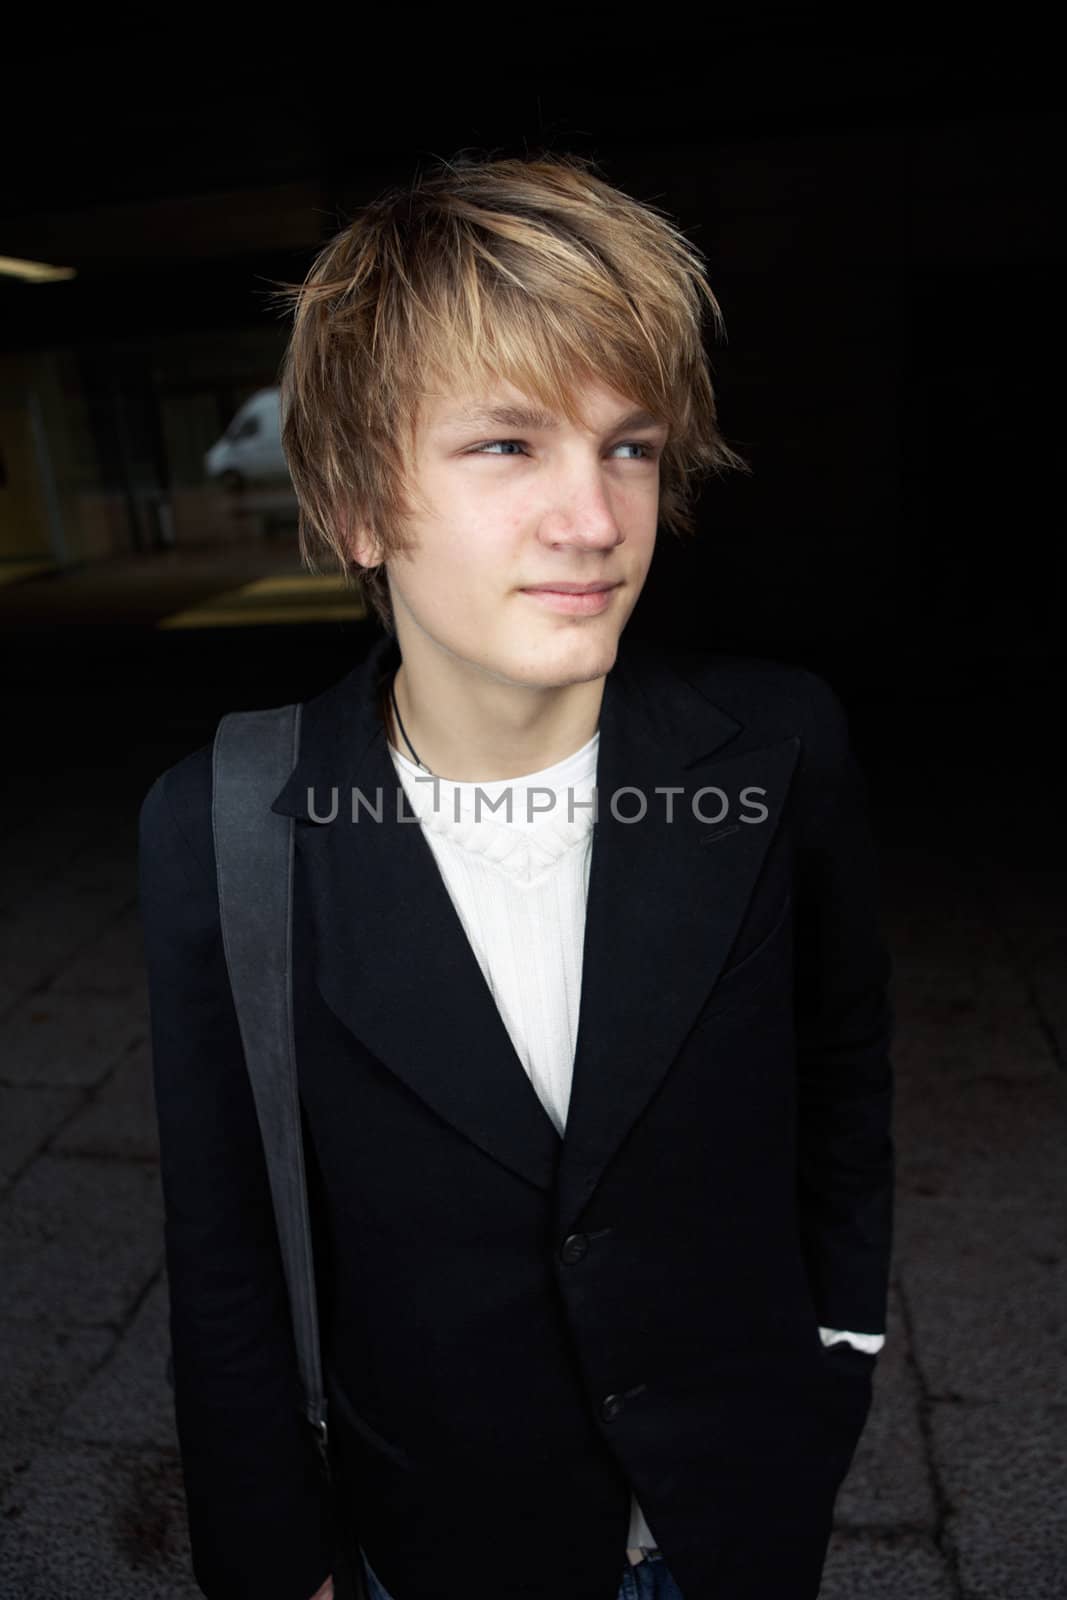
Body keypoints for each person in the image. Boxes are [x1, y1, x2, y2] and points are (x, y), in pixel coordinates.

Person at [138, 152, 894, 1600]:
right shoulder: (227, 824)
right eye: (505, 447)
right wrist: (269, 1550)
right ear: (361, 506)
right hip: (441, 1538)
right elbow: (225, 1234)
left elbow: (839, 1061)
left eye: (629, 445)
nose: (597, 521)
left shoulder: (782, 744)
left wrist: (841, 1346)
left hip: (737, 1509)